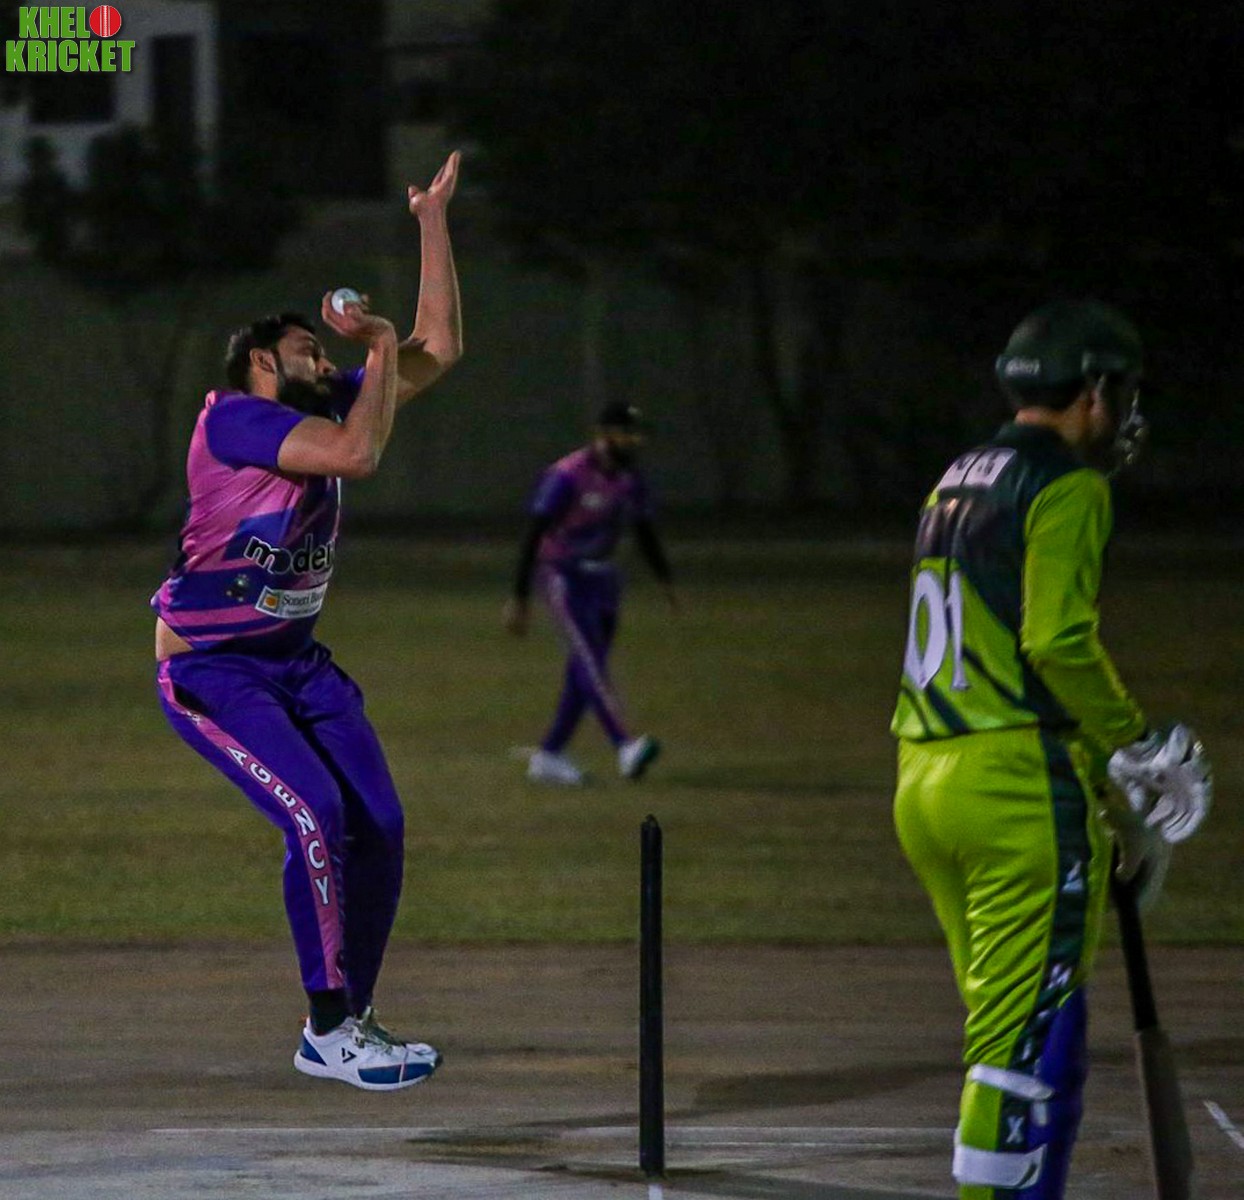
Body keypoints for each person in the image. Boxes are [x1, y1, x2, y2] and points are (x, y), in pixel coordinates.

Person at [150, 152, 463, 1091]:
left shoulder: (324, 405)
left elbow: (440, 349)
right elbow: (358, 456)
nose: (323, 362)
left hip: (296, 663)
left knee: (381, 823)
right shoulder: (234, 419)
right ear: (261, 361)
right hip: (212, 670)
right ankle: (326, 1030)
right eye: (305, 352)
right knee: (316, 814)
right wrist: (376, 345)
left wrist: (432, 222)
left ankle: (350, 1019)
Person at [890, 299, 1212, 1198]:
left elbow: (994, 649)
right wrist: (1136, 746)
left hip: (926, 777)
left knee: (1017, 1032)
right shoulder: (1069, 485)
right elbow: (1056, 642)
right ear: (1095, 390)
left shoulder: (958, 475)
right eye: (1125, 391)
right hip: (1014, 793)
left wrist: (1104, 784)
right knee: (1025, 1052)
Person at [504, 401, 676, 785]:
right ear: (604, 435)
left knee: (584, 668)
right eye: (625, 435)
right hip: (562, 576)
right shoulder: (568, 475)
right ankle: (625, 745)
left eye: (635, 436)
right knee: (591, 664)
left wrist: (664, 579)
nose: (632, 443)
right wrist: (520, 596)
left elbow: (644, 528)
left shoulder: (630, 478)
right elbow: (534, 532)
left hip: (603, 579)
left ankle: (550, 755)